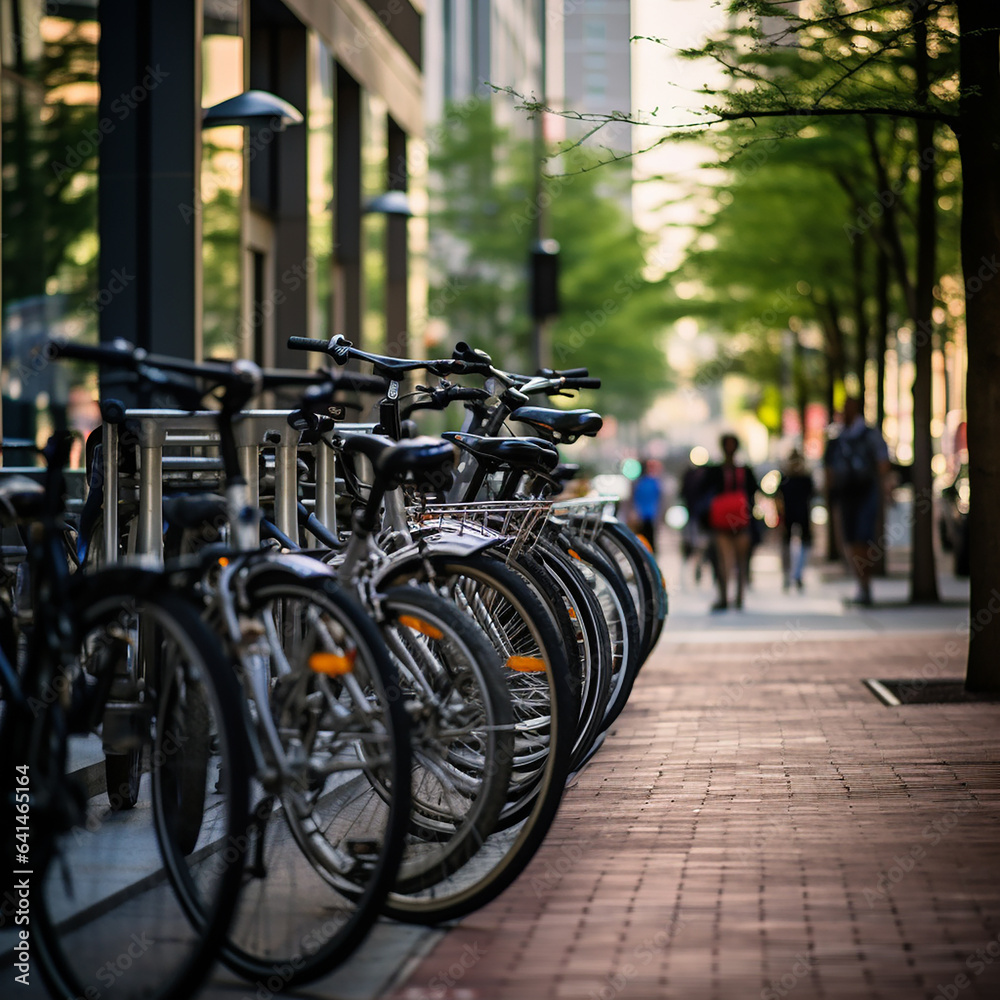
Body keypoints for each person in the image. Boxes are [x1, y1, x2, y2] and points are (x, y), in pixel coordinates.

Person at [824, 397, 890, 606]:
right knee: (851, 540)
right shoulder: (837, 439)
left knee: (863, 537)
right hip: (846, 494)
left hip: (865, 493)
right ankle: (862, 583)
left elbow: (883, 464)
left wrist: (884, 489)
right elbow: (828, 469)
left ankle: (865, 584)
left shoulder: (869, 435)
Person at [701, 434, 758, 611]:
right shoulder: (744, 471)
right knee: (735, 561)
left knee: (727, 561)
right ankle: (734, 596)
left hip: (727, 521)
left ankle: (728, 597)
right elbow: (753, 494)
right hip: (737, 520)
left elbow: (704, 493)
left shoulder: (716, 471)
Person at [776, 449, 815, 591]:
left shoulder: (805, 478)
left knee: (803, 543)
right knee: (787, 544)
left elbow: (811, 496)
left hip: (802, 514)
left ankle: (797, 574)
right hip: (790, 514)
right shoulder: (786, 478)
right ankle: (789, 574)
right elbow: (779, 498)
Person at [631, 460, 662, 553]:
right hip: (646, 513)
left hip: (648, 514)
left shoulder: (646, 482)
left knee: (647, 537)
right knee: (645, 537)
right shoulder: (648, 482)